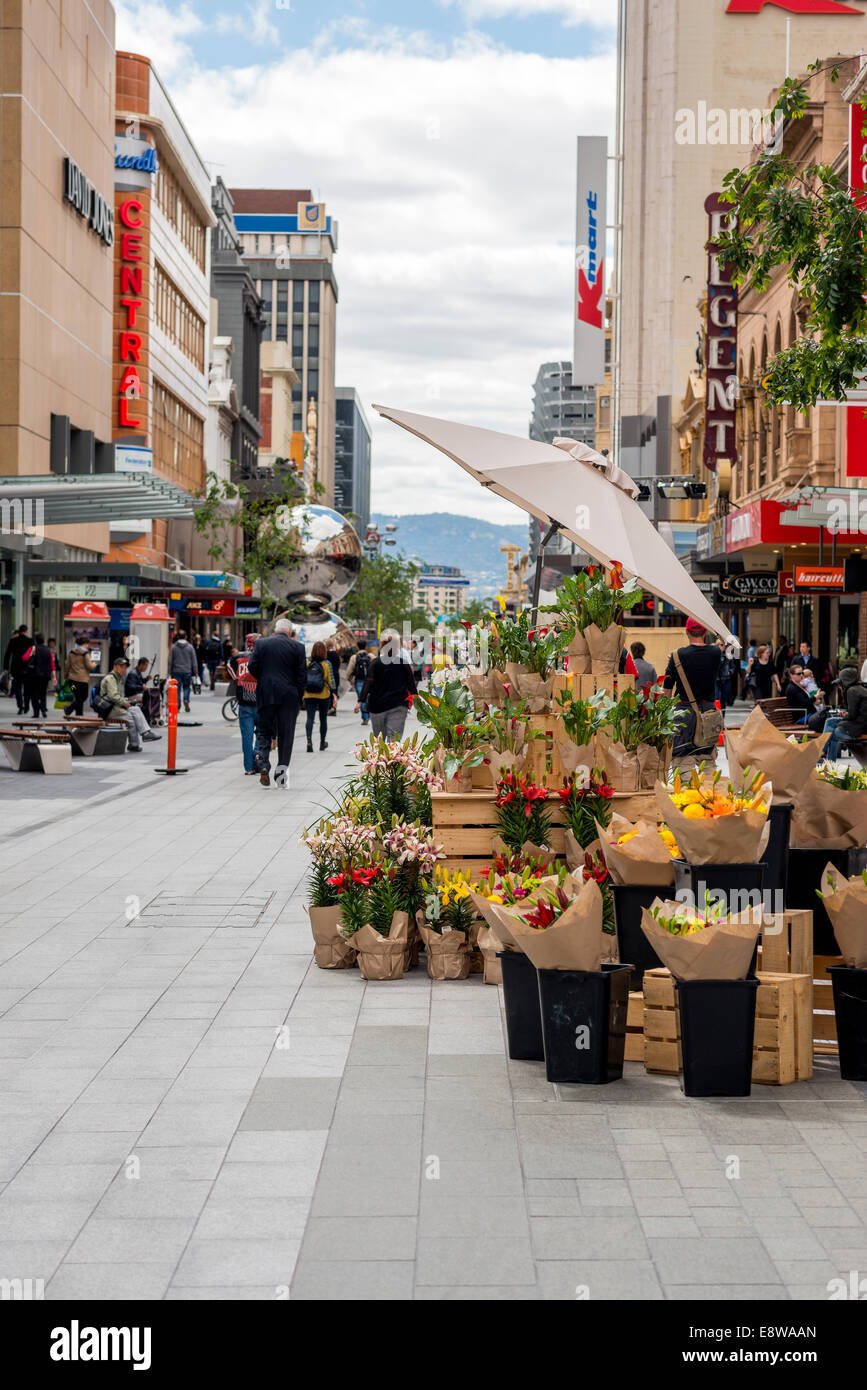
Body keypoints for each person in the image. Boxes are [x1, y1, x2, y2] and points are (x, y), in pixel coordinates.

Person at [247, 618, 307, 787]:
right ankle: (281, 776)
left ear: (275, 630)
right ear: (290, 632)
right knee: (286, 736)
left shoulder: (262, 644)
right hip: (289, 697)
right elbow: (302, 676)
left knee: (264, 731)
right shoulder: (298, 647)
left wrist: (264, 679)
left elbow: (252, 666)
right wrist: (298, 696)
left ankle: (264, 765)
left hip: (266, 694)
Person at [662, 618, 722, 774]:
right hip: (708, 713)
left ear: (686, 631)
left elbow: (667, 690)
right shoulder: (716, 653)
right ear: (706, 631)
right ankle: (710, 793)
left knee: (682, 762)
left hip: (684, 714)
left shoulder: (676, 656)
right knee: (708, 760)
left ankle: (686, 794)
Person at [356, 628, 417, 741]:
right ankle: (392, 758)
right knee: (394, 740)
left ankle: (381, 758)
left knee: (379, 741)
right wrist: (416, 700)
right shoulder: (403, 663)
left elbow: (368, 682)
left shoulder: (375, 663)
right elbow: (411, 684)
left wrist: (360, 701)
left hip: (377, 706)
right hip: (399, 705)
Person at [99, 657, 158, 751]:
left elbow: (116, 696)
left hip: (115, 707)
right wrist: (125, 703)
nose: (124, 669)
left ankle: (146, 733)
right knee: (130, 718)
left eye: (125, 667)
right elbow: (113, 696)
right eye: (121, 667)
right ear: (115, 666)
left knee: (136, 709)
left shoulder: (117, 678)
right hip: (109, 710)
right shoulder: (111, 678)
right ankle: (134, 744)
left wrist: (127, 702)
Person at [227, 634, 260, 774]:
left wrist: (237, 679)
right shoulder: (262, 657)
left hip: (244, 702)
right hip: (260, 701)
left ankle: (249, 768)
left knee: (246, 736)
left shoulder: (238, 657)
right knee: (262, 733)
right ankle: (258, 753)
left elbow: (228, 666)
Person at [823, 669, 867, 761]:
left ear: (846, 680)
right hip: (861, 723)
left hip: (858, 726)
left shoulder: (852, 691)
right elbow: (855, 712)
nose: (839, 686)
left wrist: (844, 715)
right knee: (830, 721)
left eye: (840, 682)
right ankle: (823, 752)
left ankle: (824, 755)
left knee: (833, 734)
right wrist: (846, 714)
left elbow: (852, 715)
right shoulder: (860, 689)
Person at [304, 641, 334, 752]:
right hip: (323, 694)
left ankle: (309, 742)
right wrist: (333, 692)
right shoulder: (326, 664)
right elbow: (331, 681)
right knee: (323, 719)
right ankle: (322, 743)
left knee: (310, 718)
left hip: (309, 694)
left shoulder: (307, 663)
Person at [22, 632, 55, 717]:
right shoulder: (48, 650)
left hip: (34, 675)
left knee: (34, 694)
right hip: (45, 676)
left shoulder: (33, 648)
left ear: (36, 640)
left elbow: (24, 658)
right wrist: (54, 677)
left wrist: (31, 653)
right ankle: (43, 710)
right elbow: (52, 665)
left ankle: (36, 713)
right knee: (43, 693)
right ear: (43, 640)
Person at [64, 632, 95, 718]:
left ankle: (79, 716)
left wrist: (66, 675)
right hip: (82, 681)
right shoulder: (85, 654)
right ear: (84, 644)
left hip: (72, 681)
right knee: (84, 696)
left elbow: (67, 665)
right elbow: (90, 666)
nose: (88, 646)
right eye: (87, 644)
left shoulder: (71, 652)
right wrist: (95, 664)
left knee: (77, 697)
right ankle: (69, 708)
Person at [3, 624, 31, 714]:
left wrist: (6, 667)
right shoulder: (30, 641)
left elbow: (7, 654)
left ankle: (20, 706)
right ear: (26, 631)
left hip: (16, 668)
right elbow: (33, 655)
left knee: (18, 688)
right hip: (27, 668)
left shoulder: (13, 641)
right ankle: (26, 706)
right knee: (27, 688)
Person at [169, 631, 197, 712]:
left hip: (176, 670)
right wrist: (195, 672)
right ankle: (186, 700)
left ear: (177, 637)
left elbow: (170, 660)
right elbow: (194, 660)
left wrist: (169, 671)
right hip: (187, 670)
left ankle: (177, 706)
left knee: (176, 689)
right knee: (186, 687)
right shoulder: (190, 647)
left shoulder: (173, 647)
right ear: (186, 637)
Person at [346, 639, 372, 725]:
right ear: (366, 646)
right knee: (369, 697)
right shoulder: (371, 656)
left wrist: (349, 679)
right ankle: (370, 713)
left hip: (359, 680)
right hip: (370, 680)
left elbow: (349, 670)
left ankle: (365, 718)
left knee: (362, 698)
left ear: (358, 647)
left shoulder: (354, 657)